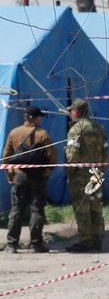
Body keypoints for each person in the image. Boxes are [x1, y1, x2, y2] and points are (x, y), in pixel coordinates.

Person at [3, 105, 56, 253]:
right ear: (36, 118)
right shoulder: (42, 134)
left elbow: (6, 156)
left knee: (16, 210)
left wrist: (10, 174)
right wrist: (48, 170)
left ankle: (12, 245)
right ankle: (35, 244)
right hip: (38, 177)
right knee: (37, 210)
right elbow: (52, 153)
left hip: (19, 175)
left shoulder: (14, 133)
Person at [64, 99, 107, 253]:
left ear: (76, 111)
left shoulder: (76, 130)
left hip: (80, 175)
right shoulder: (98, 127)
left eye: (71, 111)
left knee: (82, 207)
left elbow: (73, 155)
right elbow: (105, 151)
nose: (70, 114)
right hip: (96, 173)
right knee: (96, 206)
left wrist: (69, 172)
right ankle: (97, 239)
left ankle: (86, 240)